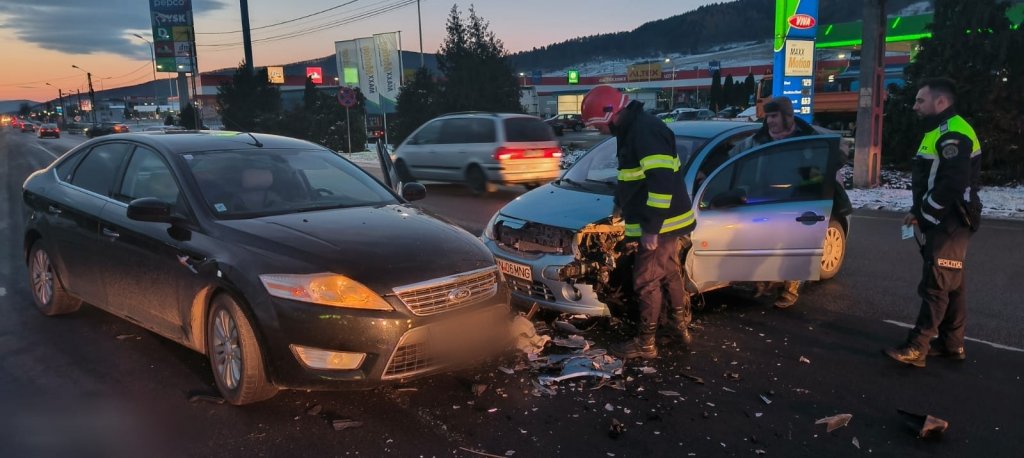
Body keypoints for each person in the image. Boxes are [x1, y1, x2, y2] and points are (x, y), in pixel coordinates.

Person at [580, 85, 696, 360]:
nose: (597, 131)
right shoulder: (632, 129)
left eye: (597, 125)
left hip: (661, 222)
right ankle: (678, 329)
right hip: (666, 220)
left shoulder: (643, 131)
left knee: (646, 280)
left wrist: (651, 229)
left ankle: (646, 343)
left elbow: (660, 183)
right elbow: (630, 174)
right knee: (668, 272)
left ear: (609, 114)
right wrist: (619, 205)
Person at [885, 77, 981, 367]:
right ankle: (952, 344)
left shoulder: (953, 133)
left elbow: (952, 182)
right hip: (945, 217)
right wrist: (919, 210)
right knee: (952, 282)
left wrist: (927, 214)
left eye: (920, 100)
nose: (914, 106)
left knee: (936, 284)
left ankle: (918, 347)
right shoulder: (940, 130)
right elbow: (933, 180)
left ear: (940, 102)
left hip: (950, 220)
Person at [727, 97, 819, 308]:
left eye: (774, 116)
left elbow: (833, 157)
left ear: (788, 116)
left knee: (792, 246)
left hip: (795, 201)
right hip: (763, 199)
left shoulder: (807, 138)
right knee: (761, 243)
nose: (769, 121)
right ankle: (764, 281)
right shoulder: (757, 140)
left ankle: (789, 288)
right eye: (767, 116)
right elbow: (732, 156)